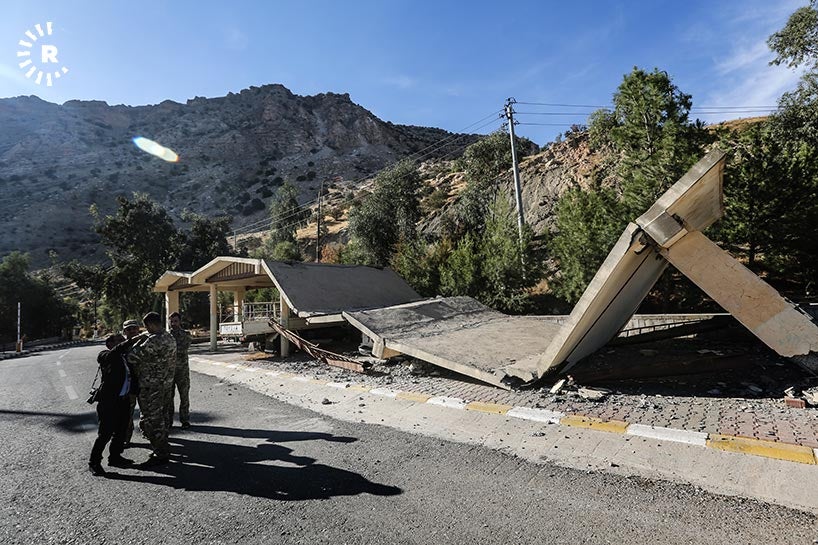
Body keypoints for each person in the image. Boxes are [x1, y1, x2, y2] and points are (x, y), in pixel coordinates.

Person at [128, 312, 176, 466]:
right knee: (163, 416)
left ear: (151, 324)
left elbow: (132, 357)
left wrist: (136, 341)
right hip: (166, 383)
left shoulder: (153, 340)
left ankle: (161, 452)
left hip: (151, 386)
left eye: (147, 327)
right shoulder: (169, 337)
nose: (146, 330)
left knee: (152, 419)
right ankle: (163, 446)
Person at [88, 333, 139, 476]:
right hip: (108, 402)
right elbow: (112, 354)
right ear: (109, 344)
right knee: (105, 433)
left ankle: (115, 457)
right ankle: (94, 462)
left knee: (121, 431)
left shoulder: (125, 358)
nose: (123, 342)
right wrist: (130, 341)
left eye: (123, 340)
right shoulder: (104, 355)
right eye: (119, 341)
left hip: (123, 400)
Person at [167, 311, 192, 429]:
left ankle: (185, 419)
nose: (173, 324)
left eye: (175, 321)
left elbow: (183, 348)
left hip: (182, 371)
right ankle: (168, 421)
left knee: (184, 396)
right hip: (169, 371)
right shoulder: (166, 336)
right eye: (171, 321)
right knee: (168, 397)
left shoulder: (186, 334)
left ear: (180, 321)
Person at [121, 319, 141, 446]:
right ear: (124, 331)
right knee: (127, 414)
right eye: (129, 329)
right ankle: (126, 438)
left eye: (134, 328)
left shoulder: (146, 342)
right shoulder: (121, 345)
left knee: (149, 414)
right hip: (129, 386)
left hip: (145, 383)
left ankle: (153, 439)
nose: (132, 331)